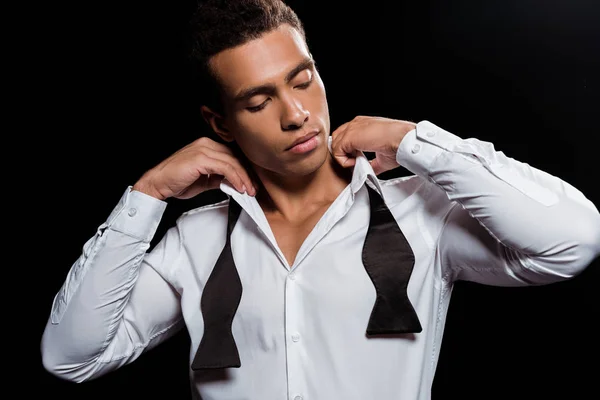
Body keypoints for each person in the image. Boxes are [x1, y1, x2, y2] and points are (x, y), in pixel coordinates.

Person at [40, 0, 600, 399]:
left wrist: (416, 141)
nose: (295, 113)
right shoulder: (197, 239)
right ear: (221, 123)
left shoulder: (418, 212)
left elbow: (572, 242)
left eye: (302, 80)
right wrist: (148, 194)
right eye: (258, 101)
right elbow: (71, 357)